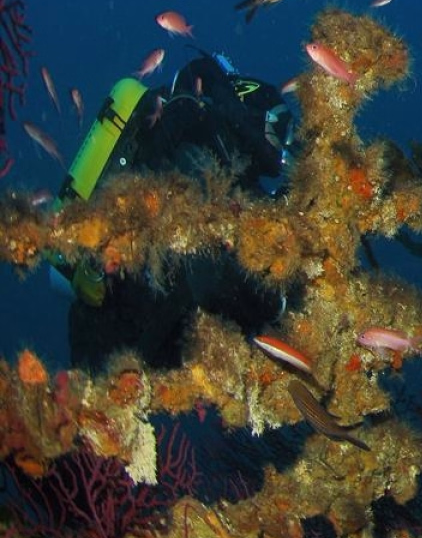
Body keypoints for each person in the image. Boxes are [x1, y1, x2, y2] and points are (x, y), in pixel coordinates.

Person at [57, 51, 296, 369]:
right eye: (281, 135)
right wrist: (275, 304)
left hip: (114, 333)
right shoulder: (196, 154)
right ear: (259, 117)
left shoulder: (190, 150)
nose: (279, 157)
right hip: (119, 338)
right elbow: (207, 275)